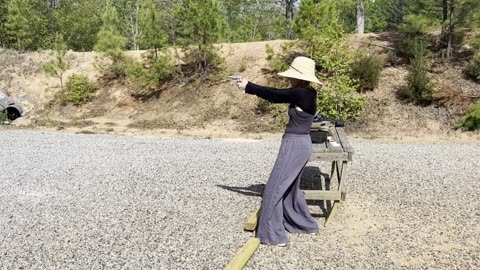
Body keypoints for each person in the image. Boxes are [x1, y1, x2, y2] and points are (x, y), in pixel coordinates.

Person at [235, 56, 322, 247]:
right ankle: (304, 225)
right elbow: (278, 94)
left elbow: (273, 95)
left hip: (294, 145)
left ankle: (272, 235)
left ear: (298, 77)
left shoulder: (301, 93)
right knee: (290, 189)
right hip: (300, 144)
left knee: (274, 188)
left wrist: (248, 86)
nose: (288, 79)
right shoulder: (308, 92)